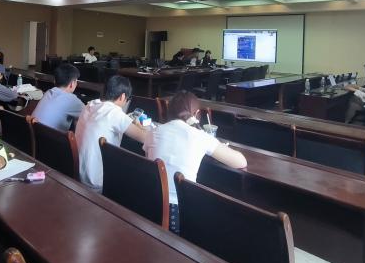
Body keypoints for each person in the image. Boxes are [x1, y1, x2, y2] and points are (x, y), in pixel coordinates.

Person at [144, 91, 247, 233]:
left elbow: (148, 159)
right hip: (179, 211)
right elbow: (241, 162)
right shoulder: (200, 136)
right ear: (197, 114)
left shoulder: (154, 132)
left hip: (149, 203)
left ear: (169, 110)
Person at [75, 75, 148, 191]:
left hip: (76, 173)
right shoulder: (114, 113)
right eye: (127, 99)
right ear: (122, 96)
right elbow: (145, 138)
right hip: (95, 181)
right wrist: (138, 124)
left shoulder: (91, 104)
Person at [32, 63, 84, 131]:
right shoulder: (73, 101)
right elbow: (89, 116)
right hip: (51, 137)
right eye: (76, 81)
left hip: (34, 133)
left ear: (54, 81)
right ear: (72, 84)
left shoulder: (48, 92)